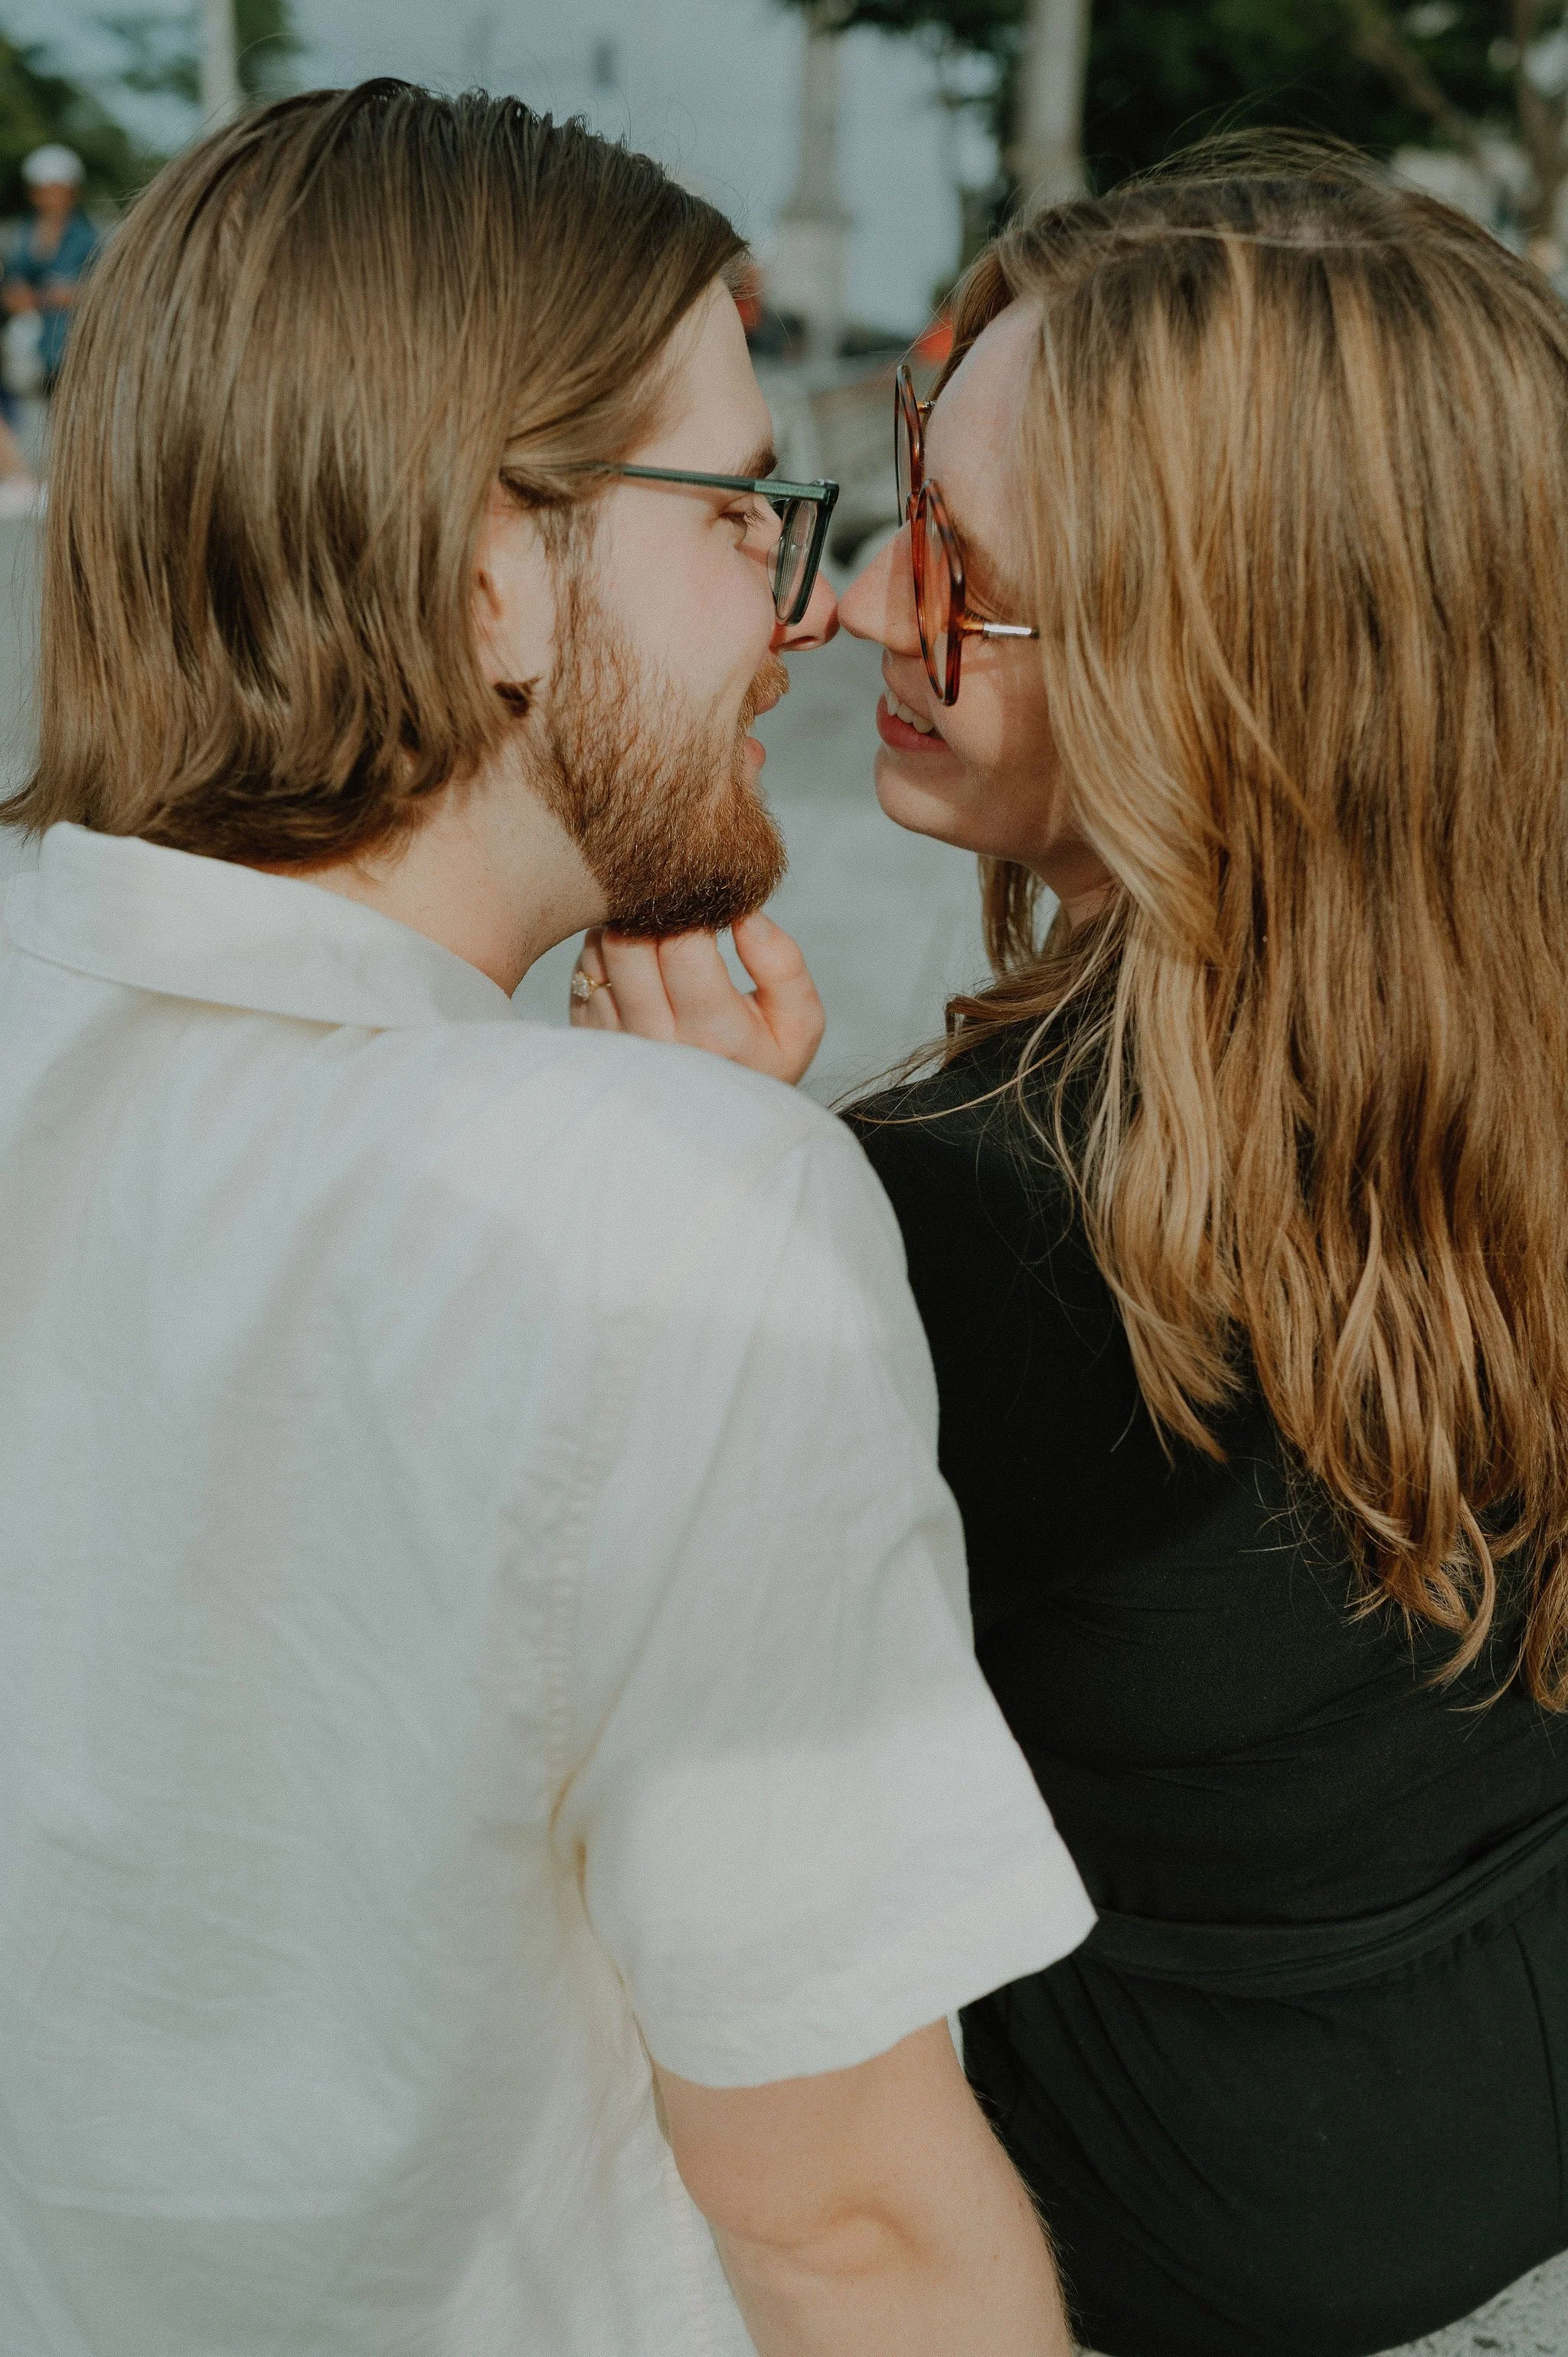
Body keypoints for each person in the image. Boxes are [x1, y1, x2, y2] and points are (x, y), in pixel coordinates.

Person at [0, 83, 1097, 2357]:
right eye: (738, 514)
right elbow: (854, 2229)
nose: (804, 608)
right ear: (496, 572)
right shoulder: (669, 1233)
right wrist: (687, 1224)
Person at [573, 145, 1568, 2357]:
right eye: (906, 490)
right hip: (1502, 2066)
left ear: (1244, 658)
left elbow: (644, 1788)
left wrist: (715, 1226)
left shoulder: (970, 1224)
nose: (847, 611)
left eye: (972, 577)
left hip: (1172, 2205)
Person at [3, 145, 101, 395]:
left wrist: (76, 295)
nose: (51, 199)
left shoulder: (87, 238)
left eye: (58, 191)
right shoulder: (20, 236)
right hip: (26, 361)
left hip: (74, 358)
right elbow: (11, 286)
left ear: (72, 193)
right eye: (44, 191)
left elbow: (107, 292)